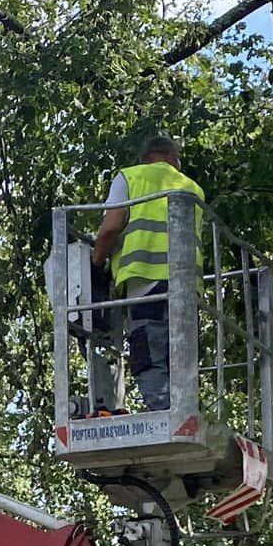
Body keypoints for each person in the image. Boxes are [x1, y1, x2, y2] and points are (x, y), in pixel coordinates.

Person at [90, 134, 205, 411]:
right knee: (180, 363)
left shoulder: (130, 177)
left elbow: (110, 228)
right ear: (173, 160)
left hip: (146, 285)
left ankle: (166, 419)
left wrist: (96, 263)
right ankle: (185, 415)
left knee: (150, 356)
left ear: (145, 158)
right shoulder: (193, 189)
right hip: (188, 292)